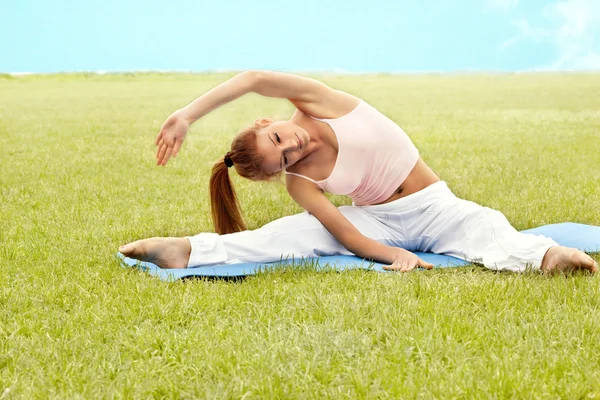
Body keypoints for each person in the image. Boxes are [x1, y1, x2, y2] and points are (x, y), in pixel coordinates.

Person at [119, 70, 598, 274]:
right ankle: (188, 250)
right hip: (376, 222)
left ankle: (547, 258)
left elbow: (252, 79)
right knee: (292, 232)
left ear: (270, 122)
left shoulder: (318, 104)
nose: (292, 148)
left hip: (431, 206)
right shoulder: (299, 182)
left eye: (280, 139)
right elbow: (345, 233)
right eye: (282, 160)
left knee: (483, 224)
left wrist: (187, 115)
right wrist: (392, 255)